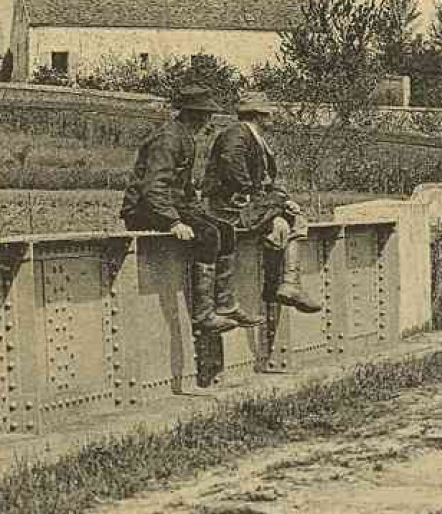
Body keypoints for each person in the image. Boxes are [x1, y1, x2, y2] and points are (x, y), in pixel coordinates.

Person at [120, 84, 253, 388]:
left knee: (224, 229)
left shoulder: (184, 137)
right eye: (207, 115)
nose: (209, 122)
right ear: (197, 115)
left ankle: (224, 303)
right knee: (207, 235)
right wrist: (173, 222)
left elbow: (183, 191)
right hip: (144, 208)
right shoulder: (169, 139)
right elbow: (154, 187)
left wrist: (198, 212)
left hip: (169, 203)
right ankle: (205, 312)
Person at [204, 92, 322, 373]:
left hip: (239, 205)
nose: (272, 118)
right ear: (259, 116)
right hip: (228, 209)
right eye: (268, 113)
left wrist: (276, 198)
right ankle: (287, 284)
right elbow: (234, 170)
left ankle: (287, 284)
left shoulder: (251, 136)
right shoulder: (237, 135)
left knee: (287, 220)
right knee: (291, 220)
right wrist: (266, 198)